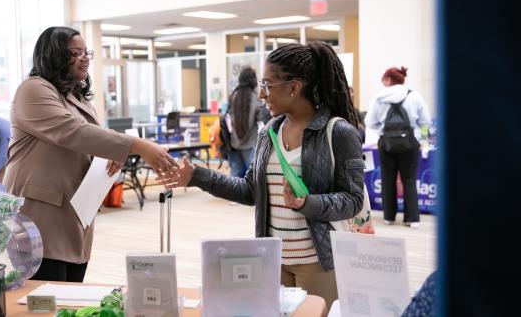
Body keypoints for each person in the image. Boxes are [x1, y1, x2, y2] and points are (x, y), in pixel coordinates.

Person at [157, 42, 365, 308]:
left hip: (318, 263)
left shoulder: (338, 132)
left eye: (267, 85)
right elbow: (249, 190)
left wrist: (307, 203)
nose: (261, 94)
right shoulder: (270, 132)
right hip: (272, 259)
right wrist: (197, 176)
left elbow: (353, 199)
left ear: (294, 87)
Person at [3, 26, 177, 283]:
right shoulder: (33, 90)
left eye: (87, 53)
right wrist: (136, 145)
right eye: (76, 52)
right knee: (45, 296)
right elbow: (72, 132)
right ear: (54, 55)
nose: (84, 58)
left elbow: (92, 136)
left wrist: (110, 154)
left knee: (71, 291)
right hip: (39, 214)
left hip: (74, 211)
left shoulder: (77, 96)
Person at [365, 67, 431, 228]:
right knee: (409, 180)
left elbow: (369, 122)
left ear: (388, 80)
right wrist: (422, 138)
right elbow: (426, 122)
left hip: (386, 144)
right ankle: (412, 219)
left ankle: (389, 217)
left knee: (387, 179)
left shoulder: (379, 98)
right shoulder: (414, 96)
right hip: (410, 143)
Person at [227, 67, 261, 177]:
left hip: (234, 143)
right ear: (252, 80)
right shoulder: (256, 98)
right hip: (250, 143)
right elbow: (260, 120)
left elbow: (227, 118)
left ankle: (232, 194)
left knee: (234, 176)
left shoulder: (233, 95)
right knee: (252, 175)